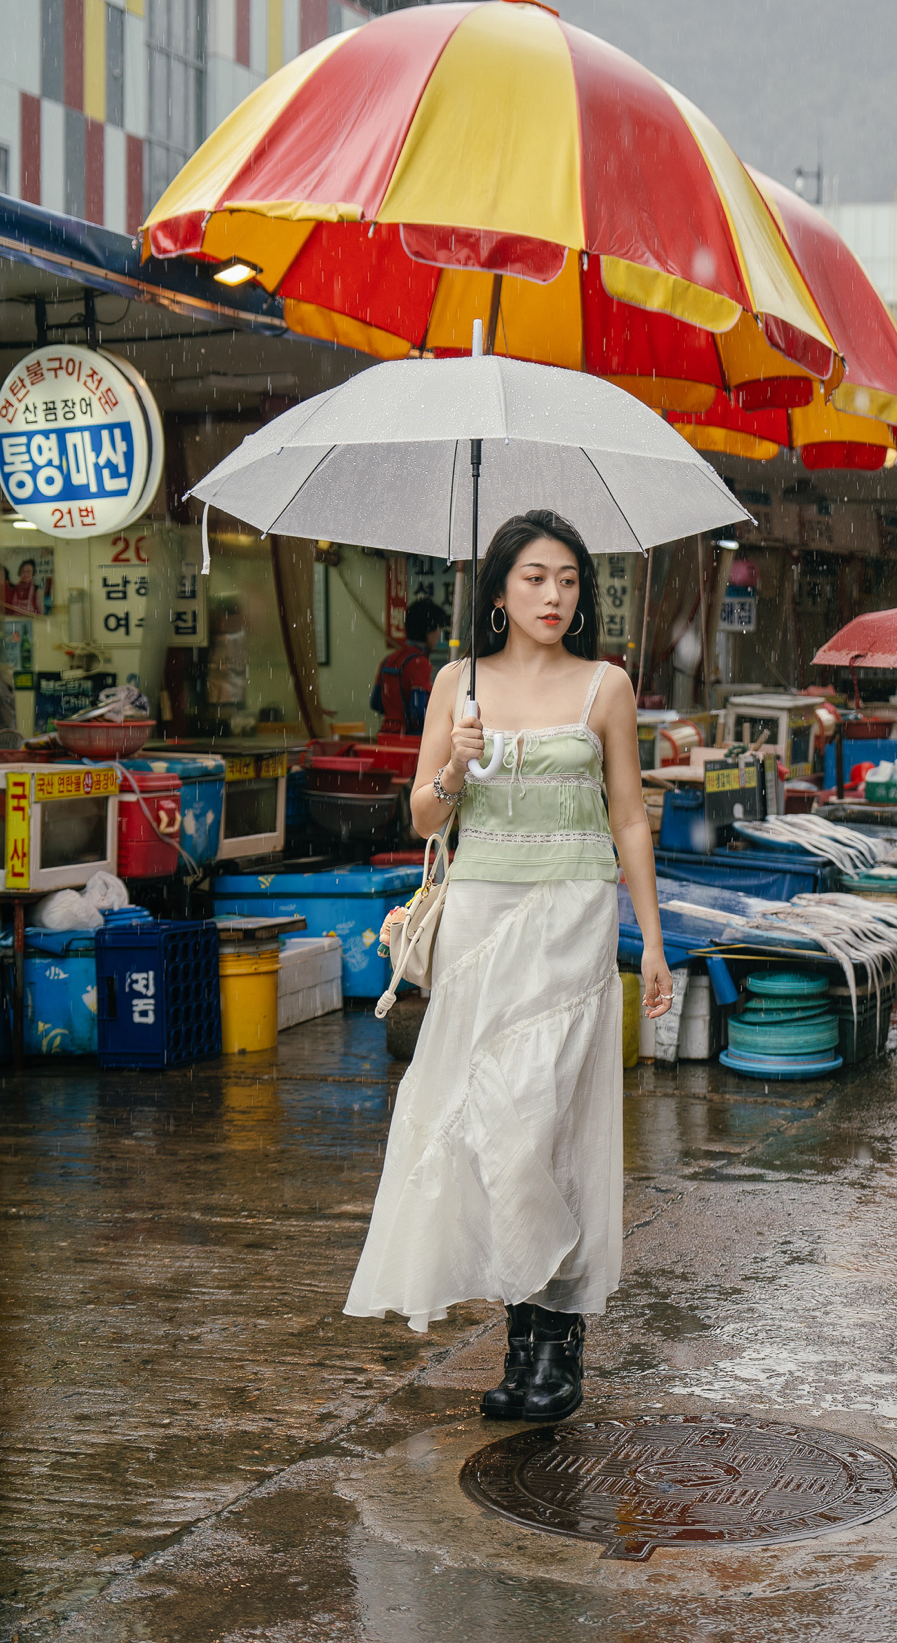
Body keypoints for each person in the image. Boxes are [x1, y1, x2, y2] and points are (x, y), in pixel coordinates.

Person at [345, 510, 673, 1425]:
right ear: (497, 591)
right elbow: (421, 817)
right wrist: (452, 766)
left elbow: (628, 818)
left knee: (544, 1128)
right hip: (481, 922)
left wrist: (648, 936)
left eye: (568, 580)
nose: (553, 596)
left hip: (572, 920)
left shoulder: (605, 687)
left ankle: (556, 1339)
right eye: (534, 578)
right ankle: (523, 1335)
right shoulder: (457, 683)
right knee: (489, 1129)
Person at [371, 597, 446, 733]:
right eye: (438, 630)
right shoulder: (420, 663)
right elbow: (418, 713)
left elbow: (376, 703)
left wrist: (394, 714)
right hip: (410, 740)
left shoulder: (389, 659)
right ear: (429, 631)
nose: (439, 635)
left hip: (386, 737)